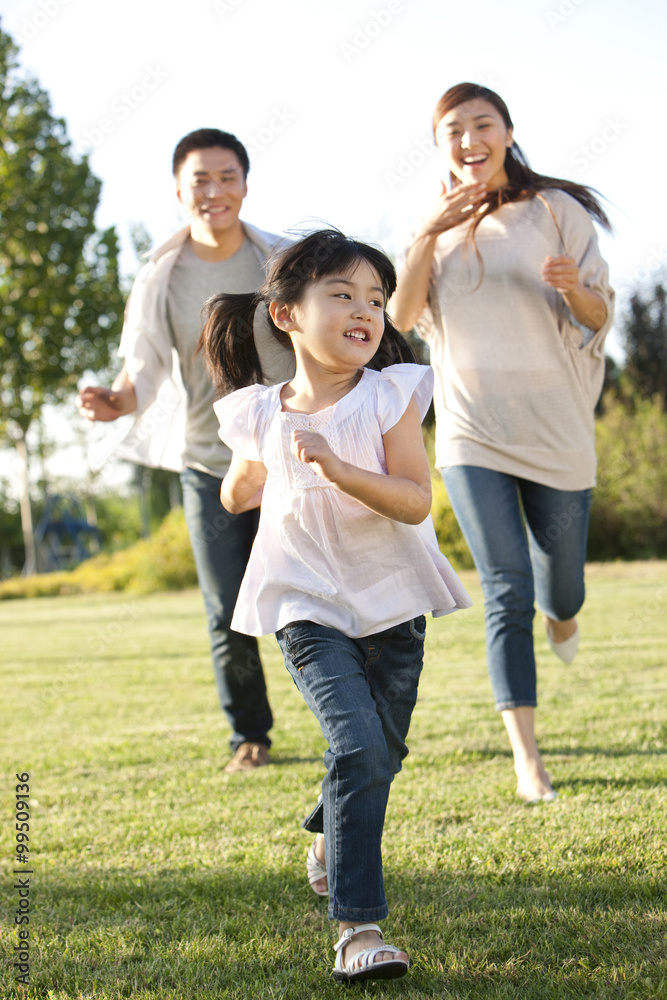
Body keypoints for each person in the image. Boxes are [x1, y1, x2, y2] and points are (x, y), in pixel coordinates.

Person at [198, 229, 471, 983]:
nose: (365, 310)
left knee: (382, 754)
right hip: (304, 604)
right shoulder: (258, 410)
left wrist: (342, 470)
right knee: (357, 747)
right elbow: (238, 488)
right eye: (342, 294)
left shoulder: (389, 394)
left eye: (376, 299)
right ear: (286, 315)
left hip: (391, 605)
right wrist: (242, 486)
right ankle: (358, 927)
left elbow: (414, 502)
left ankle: (326, 835)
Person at [390, 83, 615, 805]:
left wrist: (572, 286)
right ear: (439, 147)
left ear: (507, 131)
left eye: (480, 124)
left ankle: (566, 609)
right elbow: (399, 316)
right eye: (451, 130)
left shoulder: (556, 210)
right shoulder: (428, 228)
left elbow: (596, 313)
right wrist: (426, 232)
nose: (467, 139)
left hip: (555, 427)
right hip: (469, 432)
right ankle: (527, 758)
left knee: (559, 587)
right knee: (504, 590)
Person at [78, 128, 295, 773]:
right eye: (200, 180)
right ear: (179, 191)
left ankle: (354, 720)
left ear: (246, 184)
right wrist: (113, 402)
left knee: (320, 593)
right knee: (229, 610)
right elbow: (140, 372)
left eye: (227, 176)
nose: (214, 190)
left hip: (294, 453)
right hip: (209, 462)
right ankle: (249, 736)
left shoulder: (284, 261)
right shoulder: (160, 277)